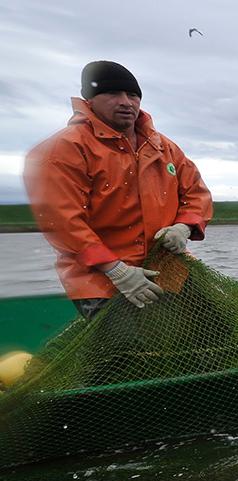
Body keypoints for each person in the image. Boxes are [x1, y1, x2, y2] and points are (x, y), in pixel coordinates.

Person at [23, 60, 213, 319]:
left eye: (133, 95)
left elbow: (196, 194)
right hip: (102, 281)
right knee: (129, 354)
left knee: (219, 328)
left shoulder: (164, 147)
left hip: (171, 271)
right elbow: (63, 221)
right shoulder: (63, 149)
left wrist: (184, 226)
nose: (126, 102)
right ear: (89, 100)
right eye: (113, 94)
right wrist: (116, 270)